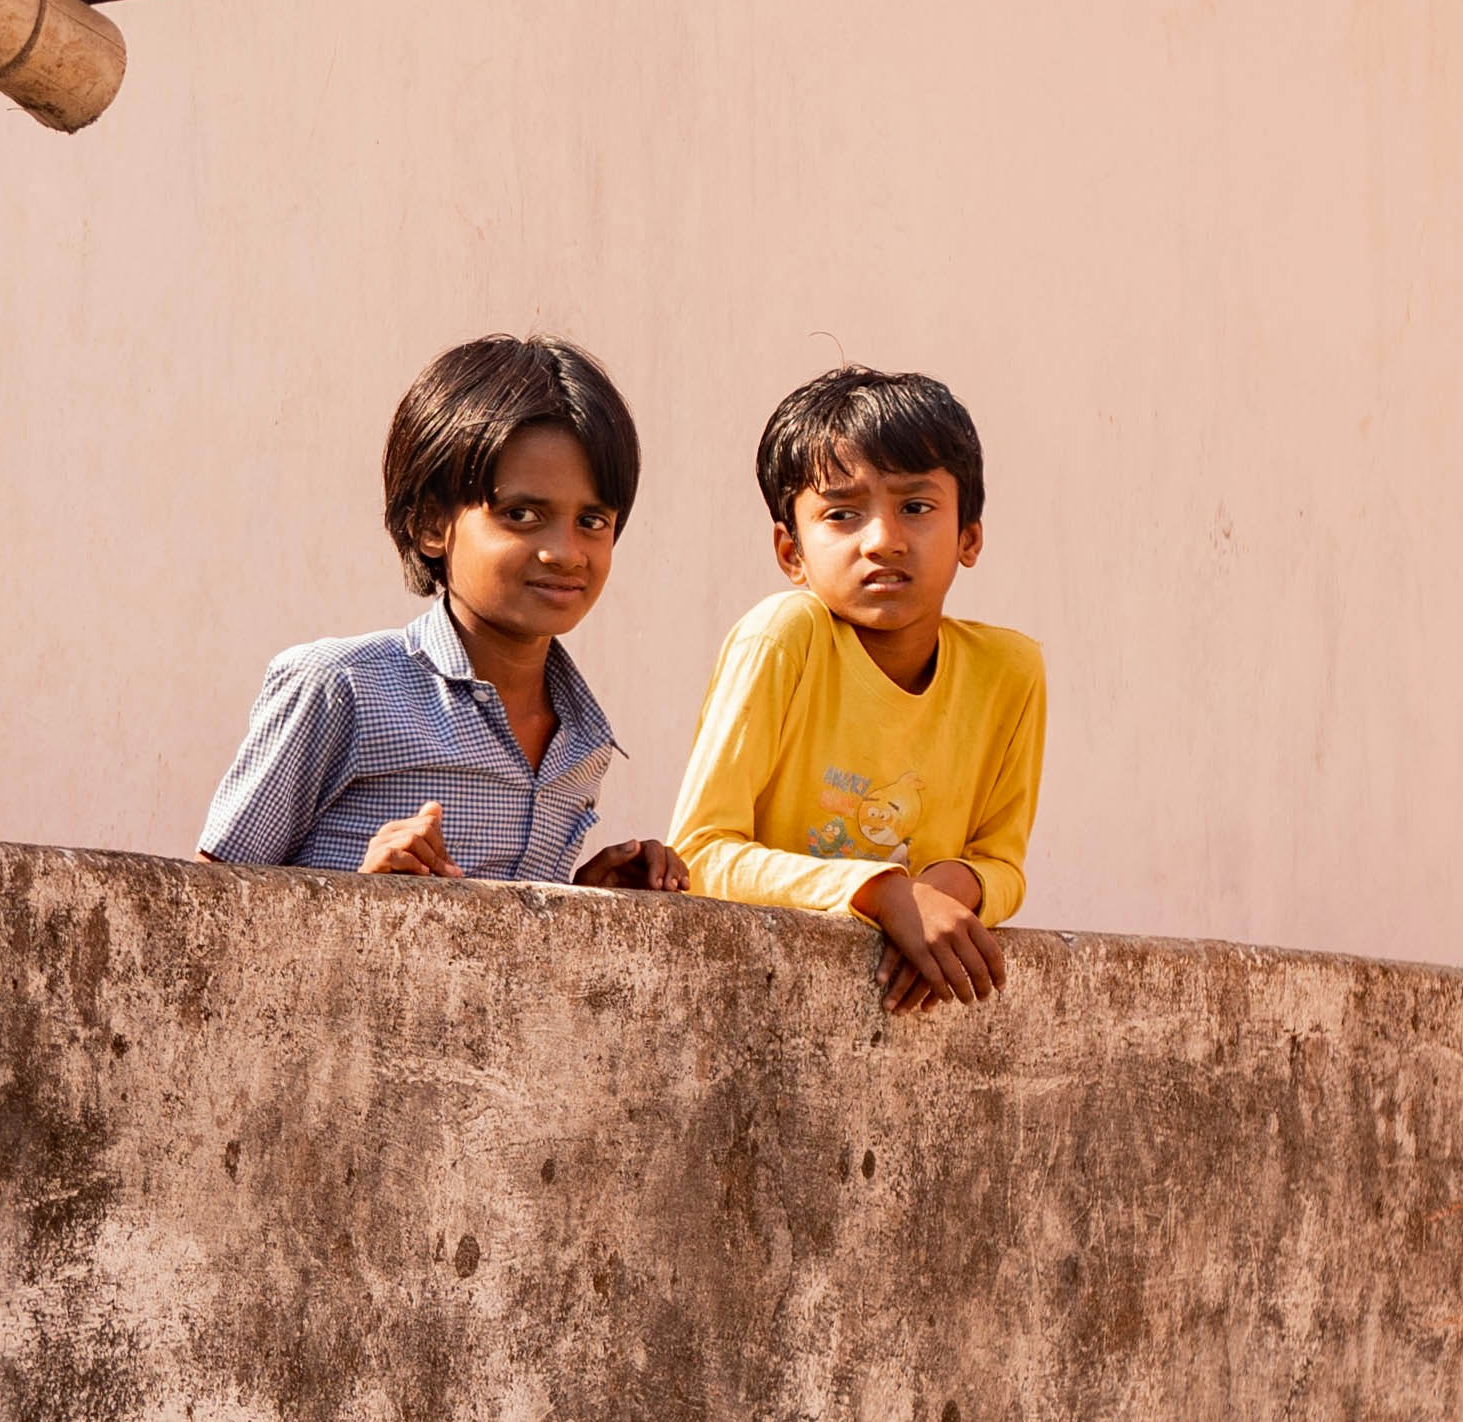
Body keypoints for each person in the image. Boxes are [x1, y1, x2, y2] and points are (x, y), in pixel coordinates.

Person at [199, 333, 690, 891]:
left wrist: (588, 900)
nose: (566, 551)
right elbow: (213, 909)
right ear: (431, 524)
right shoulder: (341, 688)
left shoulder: (581, 741)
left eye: (593, 521)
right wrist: (364, 890)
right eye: (522, 514)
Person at [667, 365, 1044, 1010]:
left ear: (969, 536)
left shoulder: (1009, 672)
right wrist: (886, 893)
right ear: (792, 552)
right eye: (842, 514)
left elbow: (1002, 863)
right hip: (755, 1001)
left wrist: (949, 890)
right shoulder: (784, 638)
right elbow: (699, 853)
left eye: (917, 507)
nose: (884, 541)